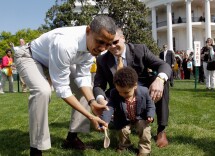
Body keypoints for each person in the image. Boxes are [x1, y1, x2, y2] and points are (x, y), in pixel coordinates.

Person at [14, 15, 118, 156]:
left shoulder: (94, 46)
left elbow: (83, 77)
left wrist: (92, 103)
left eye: (107, 44)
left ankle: (72, 137)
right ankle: (36, 149)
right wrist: (91, 116)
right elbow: (62, 88)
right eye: (100, 42)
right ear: (88, 30)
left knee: (86, 88)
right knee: (42, 91)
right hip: (30, 56)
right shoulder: (65, 43)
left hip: (53, 60)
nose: (103, 48)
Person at [93, 28, 172, 148]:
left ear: (123, 38)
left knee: (163, 84)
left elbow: (163, 65)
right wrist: (100, 99)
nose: (113, 47)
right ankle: (119, 122)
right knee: (108, 96)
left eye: (115, 42)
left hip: (143, 90)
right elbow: (98, 85)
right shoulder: (102, 60)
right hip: (118, 93)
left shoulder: (140, 50)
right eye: (109, 44)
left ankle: (161, 130)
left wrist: (160, 79)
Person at [101, 67, 155, 156]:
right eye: (119, 92)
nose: (122, 94)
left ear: (135, 85)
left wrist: (150, 115)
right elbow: (109, 107)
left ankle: (144, 149)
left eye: (126, 92)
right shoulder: (114, 93)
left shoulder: (144, 91)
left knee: (144, 130)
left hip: (140, 117)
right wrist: (105, 120)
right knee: (123, 131)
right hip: (123, 119)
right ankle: (124, 145)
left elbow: (150, 105)